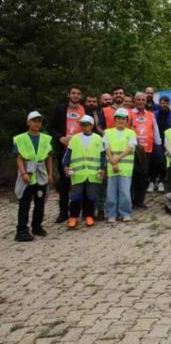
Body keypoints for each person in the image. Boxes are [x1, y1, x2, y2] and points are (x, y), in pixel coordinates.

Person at [13, 111, 53, 242]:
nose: (37, 123)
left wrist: (50, 174)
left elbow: (48, 157)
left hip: (40, 173)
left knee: (40, 202)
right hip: (27, 172)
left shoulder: (46, 138)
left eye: (39, 121)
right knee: (24, 203)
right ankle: (22, 230)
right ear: (28, 122)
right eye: (34, 121)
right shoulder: (20, 139)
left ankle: (37, 226)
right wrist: (23, 173)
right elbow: (19, 158)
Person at [47, 85, 85, 223]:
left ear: (81, 96)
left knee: (79, 181)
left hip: (81, 151)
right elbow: (50, 127)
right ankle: (63, 212)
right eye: (73, 93)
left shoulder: (84, 109)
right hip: (64, 150)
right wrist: (60, 137)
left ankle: (78, 210)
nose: (76, 95)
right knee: (64, 183)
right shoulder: (60, 109)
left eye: (78, 93)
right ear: (68, 95)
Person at [63, 115, 105, 228]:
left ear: (91, 125)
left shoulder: (98, 138)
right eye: (82, 124)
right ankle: (73, 217)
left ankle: (89, 216)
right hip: (77, 173)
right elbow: (68, 154)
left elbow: (102, 156)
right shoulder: (75, 138)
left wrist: (103, 169)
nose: (84, 126)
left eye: (86, 124)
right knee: (75, 196)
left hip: (92, 173)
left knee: (90, 196)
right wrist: (65, 166)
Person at [104, 108, 137, 223]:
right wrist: (113, 162)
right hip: (112, 166)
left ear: (127, 120)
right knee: (111, 192)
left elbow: (130, 148)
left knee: (125, 192)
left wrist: (116, 159)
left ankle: (125, 213)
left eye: (123, 118)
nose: (121, 120)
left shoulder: (131, 133)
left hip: (125, 167)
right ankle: (111, 214)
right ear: (115, 119)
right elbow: (107, 147)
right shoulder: (107, 132)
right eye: (118, 118)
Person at [129, 92, 161, 208]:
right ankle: (130, 201)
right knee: (132, 176)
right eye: (138, 100)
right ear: (134, 100)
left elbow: (155, 130)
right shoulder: (129, 113)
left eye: (143, 100)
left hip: (146, 150)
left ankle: (139, 201)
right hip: (132, 150)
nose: (141, 102)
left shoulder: (150, 115)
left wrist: (158, 144)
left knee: (143, 177)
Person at [151, 95, 171, 193]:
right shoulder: (154, 114)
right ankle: (152, 181)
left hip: (167, 141)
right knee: (155, 161)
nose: (164, 105)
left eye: (166, 103)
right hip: (156, 141)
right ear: (159, 103)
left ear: (169, 103)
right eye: (162, 103)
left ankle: (161, 181)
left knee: (164, 162)